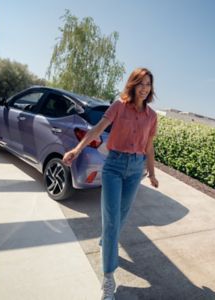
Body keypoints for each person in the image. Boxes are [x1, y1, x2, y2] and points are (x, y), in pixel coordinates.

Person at [63, 67, 159, 300]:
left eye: (148, 84)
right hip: (114, 167)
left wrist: (152, 173)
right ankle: (108, 277)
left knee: (121, 217)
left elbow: (149, 146)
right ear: (133, 84)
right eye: (141, 83)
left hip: (136, 170)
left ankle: (105, 242)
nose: (145, 88)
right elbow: (97, 130)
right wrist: (77, 149)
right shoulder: (118, 106)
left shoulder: (152, 116)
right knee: (112, 222)